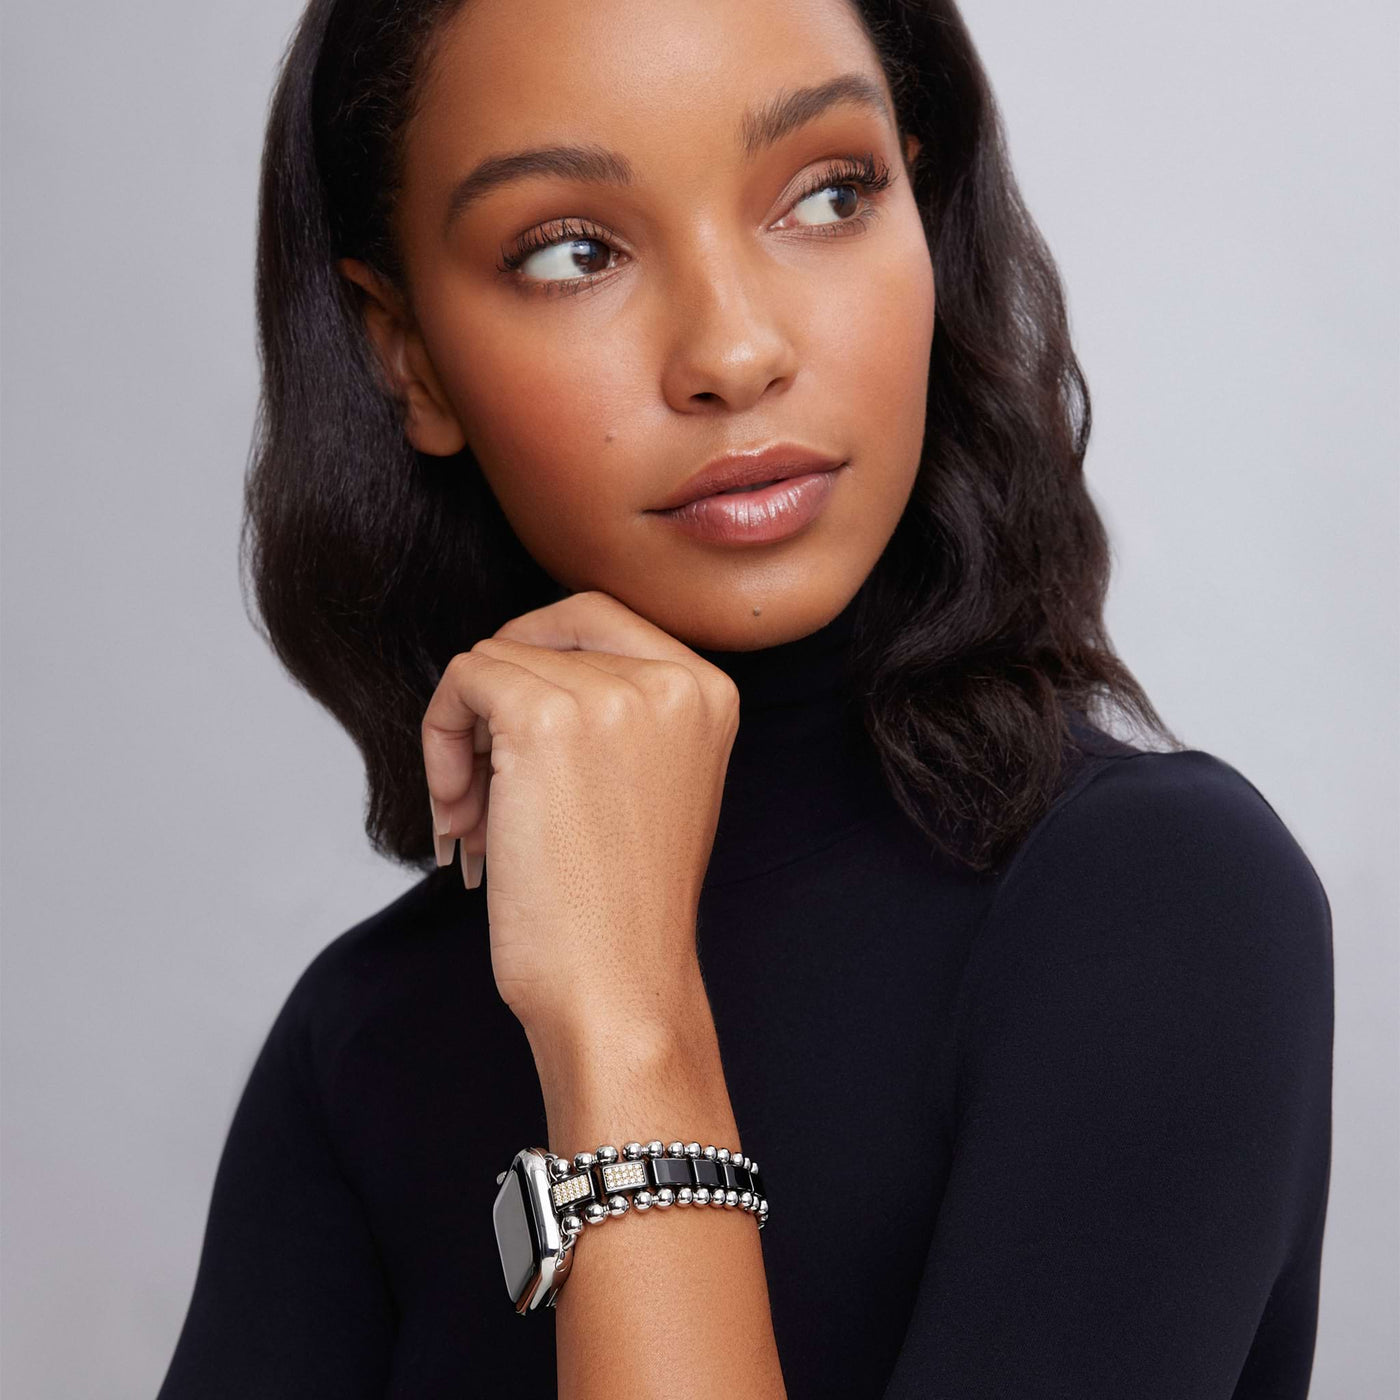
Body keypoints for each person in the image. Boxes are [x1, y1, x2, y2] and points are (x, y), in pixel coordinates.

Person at [155, 0, 1335, 1395]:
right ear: (405, 353)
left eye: (828, 194)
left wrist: (626, 1027)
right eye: (573, 251)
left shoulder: (1153, 906)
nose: (733, 352)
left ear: (922, 205)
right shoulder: (365, 1038)